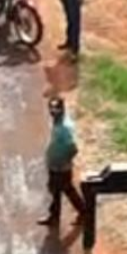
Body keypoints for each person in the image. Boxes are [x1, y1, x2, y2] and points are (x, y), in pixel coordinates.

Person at [40, 97, 86, 227]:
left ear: (62, 109)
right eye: (51, 108)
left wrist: (63, 163)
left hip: (60, 168)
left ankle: (83, 212)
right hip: (55, 166)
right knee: (56, 191)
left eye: (57, 108)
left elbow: (73, 148)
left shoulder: (64, 127)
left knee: (66, 190)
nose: (53, 111)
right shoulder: (58, 122)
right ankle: (54, 217)